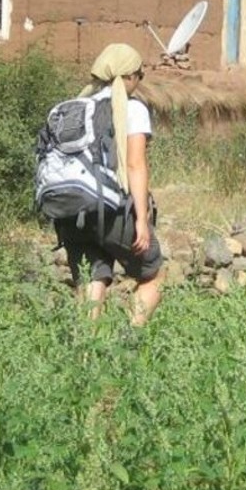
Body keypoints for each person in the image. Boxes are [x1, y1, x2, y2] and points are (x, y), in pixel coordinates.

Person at [55, 43, 165, 326]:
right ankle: (127, 341)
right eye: (139, 75)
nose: (139, 81)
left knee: (92, 278)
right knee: (154, 275)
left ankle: (87, 348)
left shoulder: (76, 107)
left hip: (72, 212)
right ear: (129, 76)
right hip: (112, 211)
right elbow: (135, 164)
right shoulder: (132, 108)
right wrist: (141, 220)